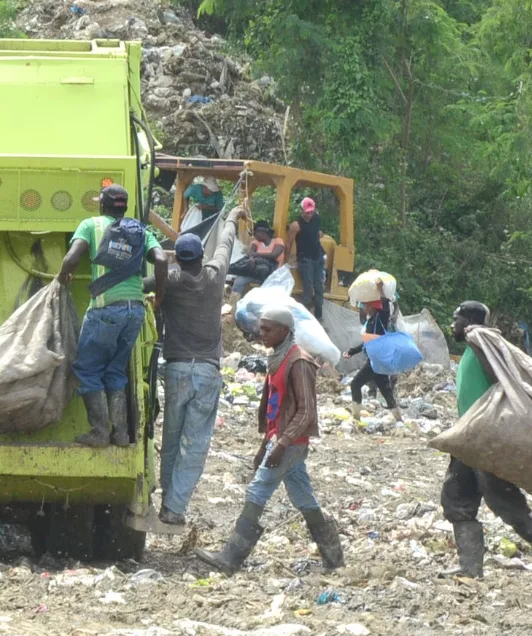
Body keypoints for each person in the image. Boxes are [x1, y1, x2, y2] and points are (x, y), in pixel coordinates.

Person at [194, 305, 344, 573]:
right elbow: (275, 407)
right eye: (260, 328)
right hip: (281, 439)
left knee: (257, 490)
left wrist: (281, 444)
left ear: (284, 331)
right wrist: (266, 443)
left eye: (267, 329)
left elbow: (306, 410)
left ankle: (230, 558)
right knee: (304, 498)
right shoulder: (279, 358)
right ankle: (334, 559)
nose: (260, 334)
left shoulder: (298, 362)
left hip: (291, 442)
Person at [57, 184, 167, 447]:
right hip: (135, 310)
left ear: (101, 205)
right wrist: (159, 297)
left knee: (87, 368)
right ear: (125, 207)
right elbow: (162, 260)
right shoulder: (140, 230)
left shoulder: (91, 225)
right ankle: (120, 434)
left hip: (106, 309)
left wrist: (62, 279)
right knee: (115, 370)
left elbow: (72, 258)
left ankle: (99, 432)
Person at [440, 301, 532, 577]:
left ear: (471, 321)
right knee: (456, 501)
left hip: (487, 444)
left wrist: (478, 332)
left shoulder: (480, 340)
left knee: (511, 512)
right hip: (468, 441)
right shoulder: (471, 349)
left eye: (457, 318)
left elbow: (501, 376)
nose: (453, 324)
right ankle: (470, 567)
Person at [154, 208, 240, 525]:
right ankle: (174, 508)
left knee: (172, 438)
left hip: (175, 369)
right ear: (201, 256)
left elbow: (144, 282)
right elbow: (226, 244)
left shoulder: (171, 283)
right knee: (196, 443)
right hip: (206, 371)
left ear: (177, 258)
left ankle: (166, 499)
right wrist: (233, 216)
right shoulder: (215, 277)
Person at [344, 289, 400, 421]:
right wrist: (351, 352)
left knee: (355, 384)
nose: (364, 309)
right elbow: (367, 343)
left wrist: (380, 289)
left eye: (365, 306)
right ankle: (399, 419)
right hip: (378, 360)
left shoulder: (381, 317)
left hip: (375, 361)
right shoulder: (371, 322)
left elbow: (385, 305)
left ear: (371, 306)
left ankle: (356, 417)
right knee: (385, 390)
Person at [287, 197, 326, 316]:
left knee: (319, 286)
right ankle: (304, 316)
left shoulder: (316, 218)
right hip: (305, 259)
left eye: (311, 212)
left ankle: (319, 315)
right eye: (307, 212)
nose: (309, 215)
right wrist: (286, 260)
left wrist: (319, 234)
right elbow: (289, 243)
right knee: (308, 288)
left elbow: (317, 232)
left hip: (318, 257)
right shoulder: (296, 225)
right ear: (301, 210)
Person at [230, 220, 286, 296]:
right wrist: (251, 258)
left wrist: (256, 254)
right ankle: (233, 302)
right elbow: (250, 253)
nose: (254, 236)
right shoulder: (256, 243)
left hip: (273, 275)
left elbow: (274, 255)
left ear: (263, 232)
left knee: (267, 290)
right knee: (239, 281)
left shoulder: (278, 241)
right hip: (256, 273)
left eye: (255, 233)